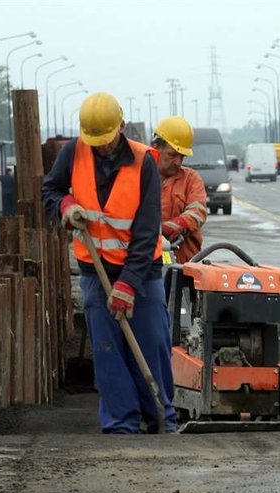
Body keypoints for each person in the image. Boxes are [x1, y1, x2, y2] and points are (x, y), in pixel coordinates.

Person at [41, 92, 177, 434]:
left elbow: (147, 231)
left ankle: (162, 417)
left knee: (151, 344)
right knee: (108, 351)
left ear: (121, 125)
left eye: (106, 139)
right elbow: (51, 190)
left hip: (142, 271)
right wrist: (66, 206)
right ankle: (121, 423)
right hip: (95, 270)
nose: (101, 147)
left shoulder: (144, 161)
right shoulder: (73, 152)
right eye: (95, 141)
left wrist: (129, 284)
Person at [151, 116, 207, 263]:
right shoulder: (140, 177)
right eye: (173, 155)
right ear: (156, 147)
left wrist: (177, 225)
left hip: (185, 262)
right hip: (146, 261)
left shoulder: (191, 179)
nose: (178, 162)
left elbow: (198, 210)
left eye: (182, 156)